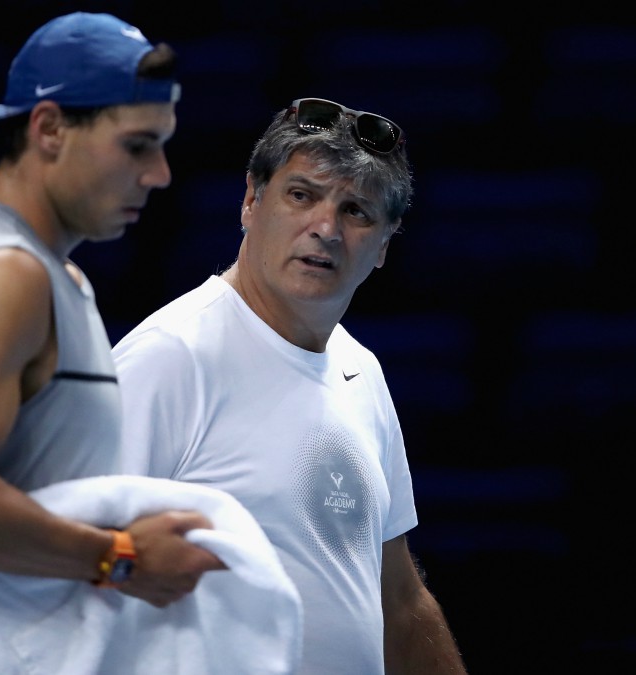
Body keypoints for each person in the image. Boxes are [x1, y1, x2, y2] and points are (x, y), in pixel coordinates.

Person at [0, 12, 223, 675]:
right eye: (138, 146)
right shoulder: (1, 276)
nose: (161, 174)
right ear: (48, 128)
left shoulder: (56, 279)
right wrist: (122, 556)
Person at [112, 97, 468, 673]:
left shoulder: (363, 374)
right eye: (301, 195)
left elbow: (400, 602)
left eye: (356, 211)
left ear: (383, 246)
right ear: (251, 201)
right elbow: (75, 564)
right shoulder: (168, 357)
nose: (325, 228)